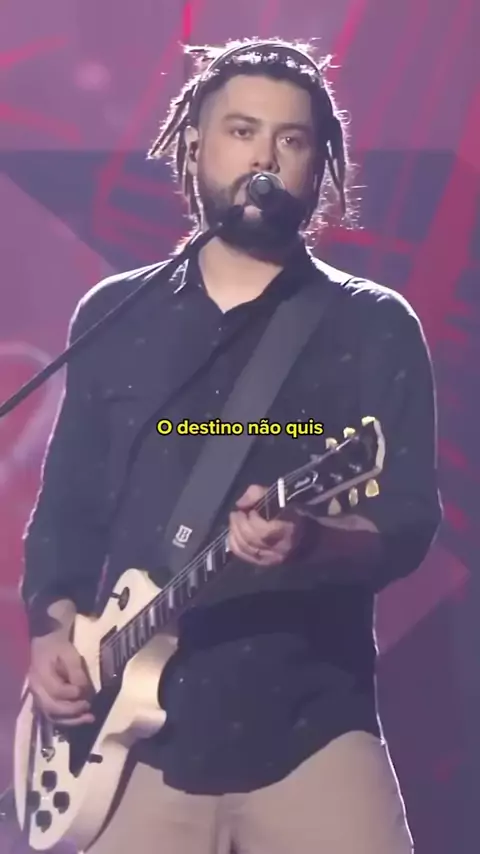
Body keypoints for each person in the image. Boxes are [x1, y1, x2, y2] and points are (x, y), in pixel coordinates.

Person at [21, 38, 442, 854]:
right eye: (242, 131)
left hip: (310, 730)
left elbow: (408, 521)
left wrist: (312, 541)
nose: (264, 159)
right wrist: (53, 630)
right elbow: (66, 513)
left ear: (319, 167)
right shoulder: (115, 315)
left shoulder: (373, 324)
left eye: (291, 140)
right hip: (130, 748)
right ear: (194, 145)